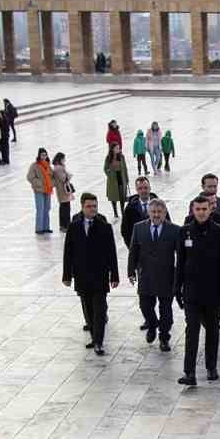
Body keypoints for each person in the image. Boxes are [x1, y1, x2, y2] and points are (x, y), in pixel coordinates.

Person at [176, 196, 220, 385]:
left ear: (210, 210)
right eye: (197, 209)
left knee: (212, 331)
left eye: (204, 209)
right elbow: (181, 263)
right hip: (192, 292)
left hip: (213, 292)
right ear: (192, 210)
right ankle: (189, 372)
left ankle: (211, 367)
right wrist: (177, 288)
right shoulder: (185, 232)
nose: (201, 212)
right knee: (191, 331)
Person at [62, 192, 120, 355]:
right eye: (89, 206)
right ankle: (94, 337)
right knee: (88, 310)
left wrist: (114, 275)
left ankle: (99, 342)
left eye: (95, 206)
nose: (92, 209)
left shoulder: (104, 226)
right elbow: (68, 252)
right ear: (82, 207)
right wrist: (67, 276)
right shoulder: (74, 227)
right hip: (82, 276)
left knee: (100, 310)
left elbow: (111, 253)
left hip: (100, 276)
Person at [128, 197, 182, 349]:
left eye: (159, 212)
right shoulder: (138, 228)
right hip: (146, 276)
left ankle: (164, 337)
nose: (156, 215)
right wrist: (131, 271)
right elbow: (133, 251)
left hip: (166, 277)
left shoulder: (174, 230)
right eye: (153, 212)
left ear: (165, 213)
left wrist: (180, 276)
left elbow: (180, 255)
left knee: (166, 312)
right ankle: (152, 325)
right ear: (148, 212)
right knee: (145, 306)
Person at [27, 147, 54, 234]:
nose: (44, 156)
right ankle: (39, 228)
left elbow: (52, 176)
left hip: (48, 190)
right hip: (39, 190)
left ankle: (46, 227)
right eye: (42, 155)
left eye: (45, 155)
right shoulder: (34, 165)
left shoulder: (48, 165)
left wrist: (51, 184)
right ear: (39, 155)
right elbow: (30, 177)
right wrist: (39, 183)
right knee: (40, 209)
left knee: (47, 208)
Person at [103, 144, 129, 219]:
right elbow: (105, 169)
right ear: (112, 149)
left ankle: (122, 211)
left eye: (119, 148)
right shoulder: (108, 158)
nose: (119, 149)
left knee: (122, 196)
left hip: (121, 178)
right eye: (117, 148)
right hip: (113, 180)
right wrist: (110, 173)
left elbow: (125, 167)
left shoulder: (121, 157)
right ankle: (115, 212)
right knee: (113, 197)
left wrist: (127, 178)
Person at [52, 152, 75, 234]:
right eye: (63, 159)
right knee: (66, 208)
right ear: (60, 159)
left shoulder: (58, 167)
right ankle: (66, 225)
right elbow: (63, 178)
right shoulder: (59, 168)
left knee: (63, 207)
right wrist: (68, 176)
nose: (64, 160)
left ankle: (63, 225)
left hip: (61, 190)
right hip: (63, 190)